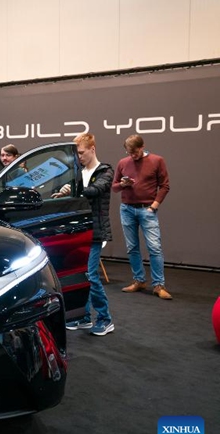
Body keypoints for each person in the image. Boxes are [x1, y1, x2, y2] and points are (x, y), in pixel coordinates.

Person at [55, 133, 115, 336]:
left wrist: (74, 188)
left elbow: (95, 191)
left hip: (96, 232)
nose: (78, 157)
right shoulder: (77, 173)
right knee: (81, 275)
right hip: (79, 231)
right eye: (76, 154)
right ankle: (84, 317)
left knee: (90, 275)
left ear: (92, 149)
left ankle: (105, 319)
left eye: (81, 153)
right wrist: (64, 191)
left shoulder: (105, 171)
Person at [112, 134, 172, 300]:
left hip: (147, 210)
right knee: (132, 247)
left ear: (142, 147)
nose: (133, 156)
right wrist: (123, 184)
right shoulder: (123, 163)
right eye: (129, 152)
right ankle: (139, 280)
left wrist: (154, 205)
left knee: (154, 248)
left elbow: (165, 185)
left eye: (135, 152)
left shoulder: (157, 160)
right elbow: (114, 187)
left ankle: (159, 285)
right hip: (126, 209)